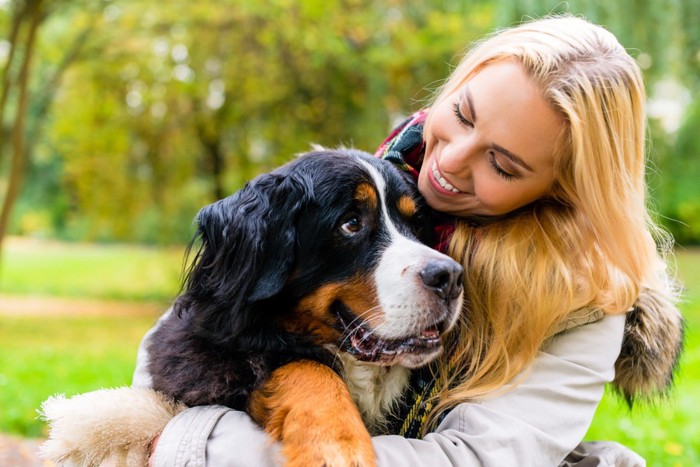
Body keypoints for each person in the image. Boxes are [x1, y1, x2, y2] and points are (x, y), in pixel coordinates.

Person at [134, 14, 684, 466]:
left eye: (502, 163)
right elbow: (188, 341)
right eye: (462, 115)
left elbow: (479, 459)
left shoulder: (586, 296)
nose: (449, 160)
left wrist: (189, 445)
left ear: (561, 189)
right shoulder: (364, 180)